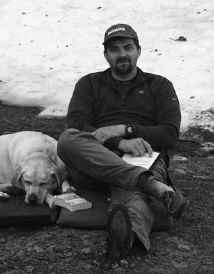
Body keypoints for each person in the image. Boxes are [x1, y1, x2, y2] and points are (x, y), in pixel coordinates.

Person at [56, 24, 189, 267]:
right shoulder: (89, 84)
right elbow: (77, 125)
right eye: (114, 49)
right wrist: (119, 143)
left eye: (128, 47)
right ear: (105, 55)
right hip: (95, 161)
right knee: (67, 138)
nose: (122, 54)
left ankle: (126, 239)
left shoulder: (159, 86)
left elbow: (170, 135)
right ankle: (151, 186)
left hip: (143, 156)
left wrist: (126, 130)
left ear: (139, 50)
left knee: (131, 195)